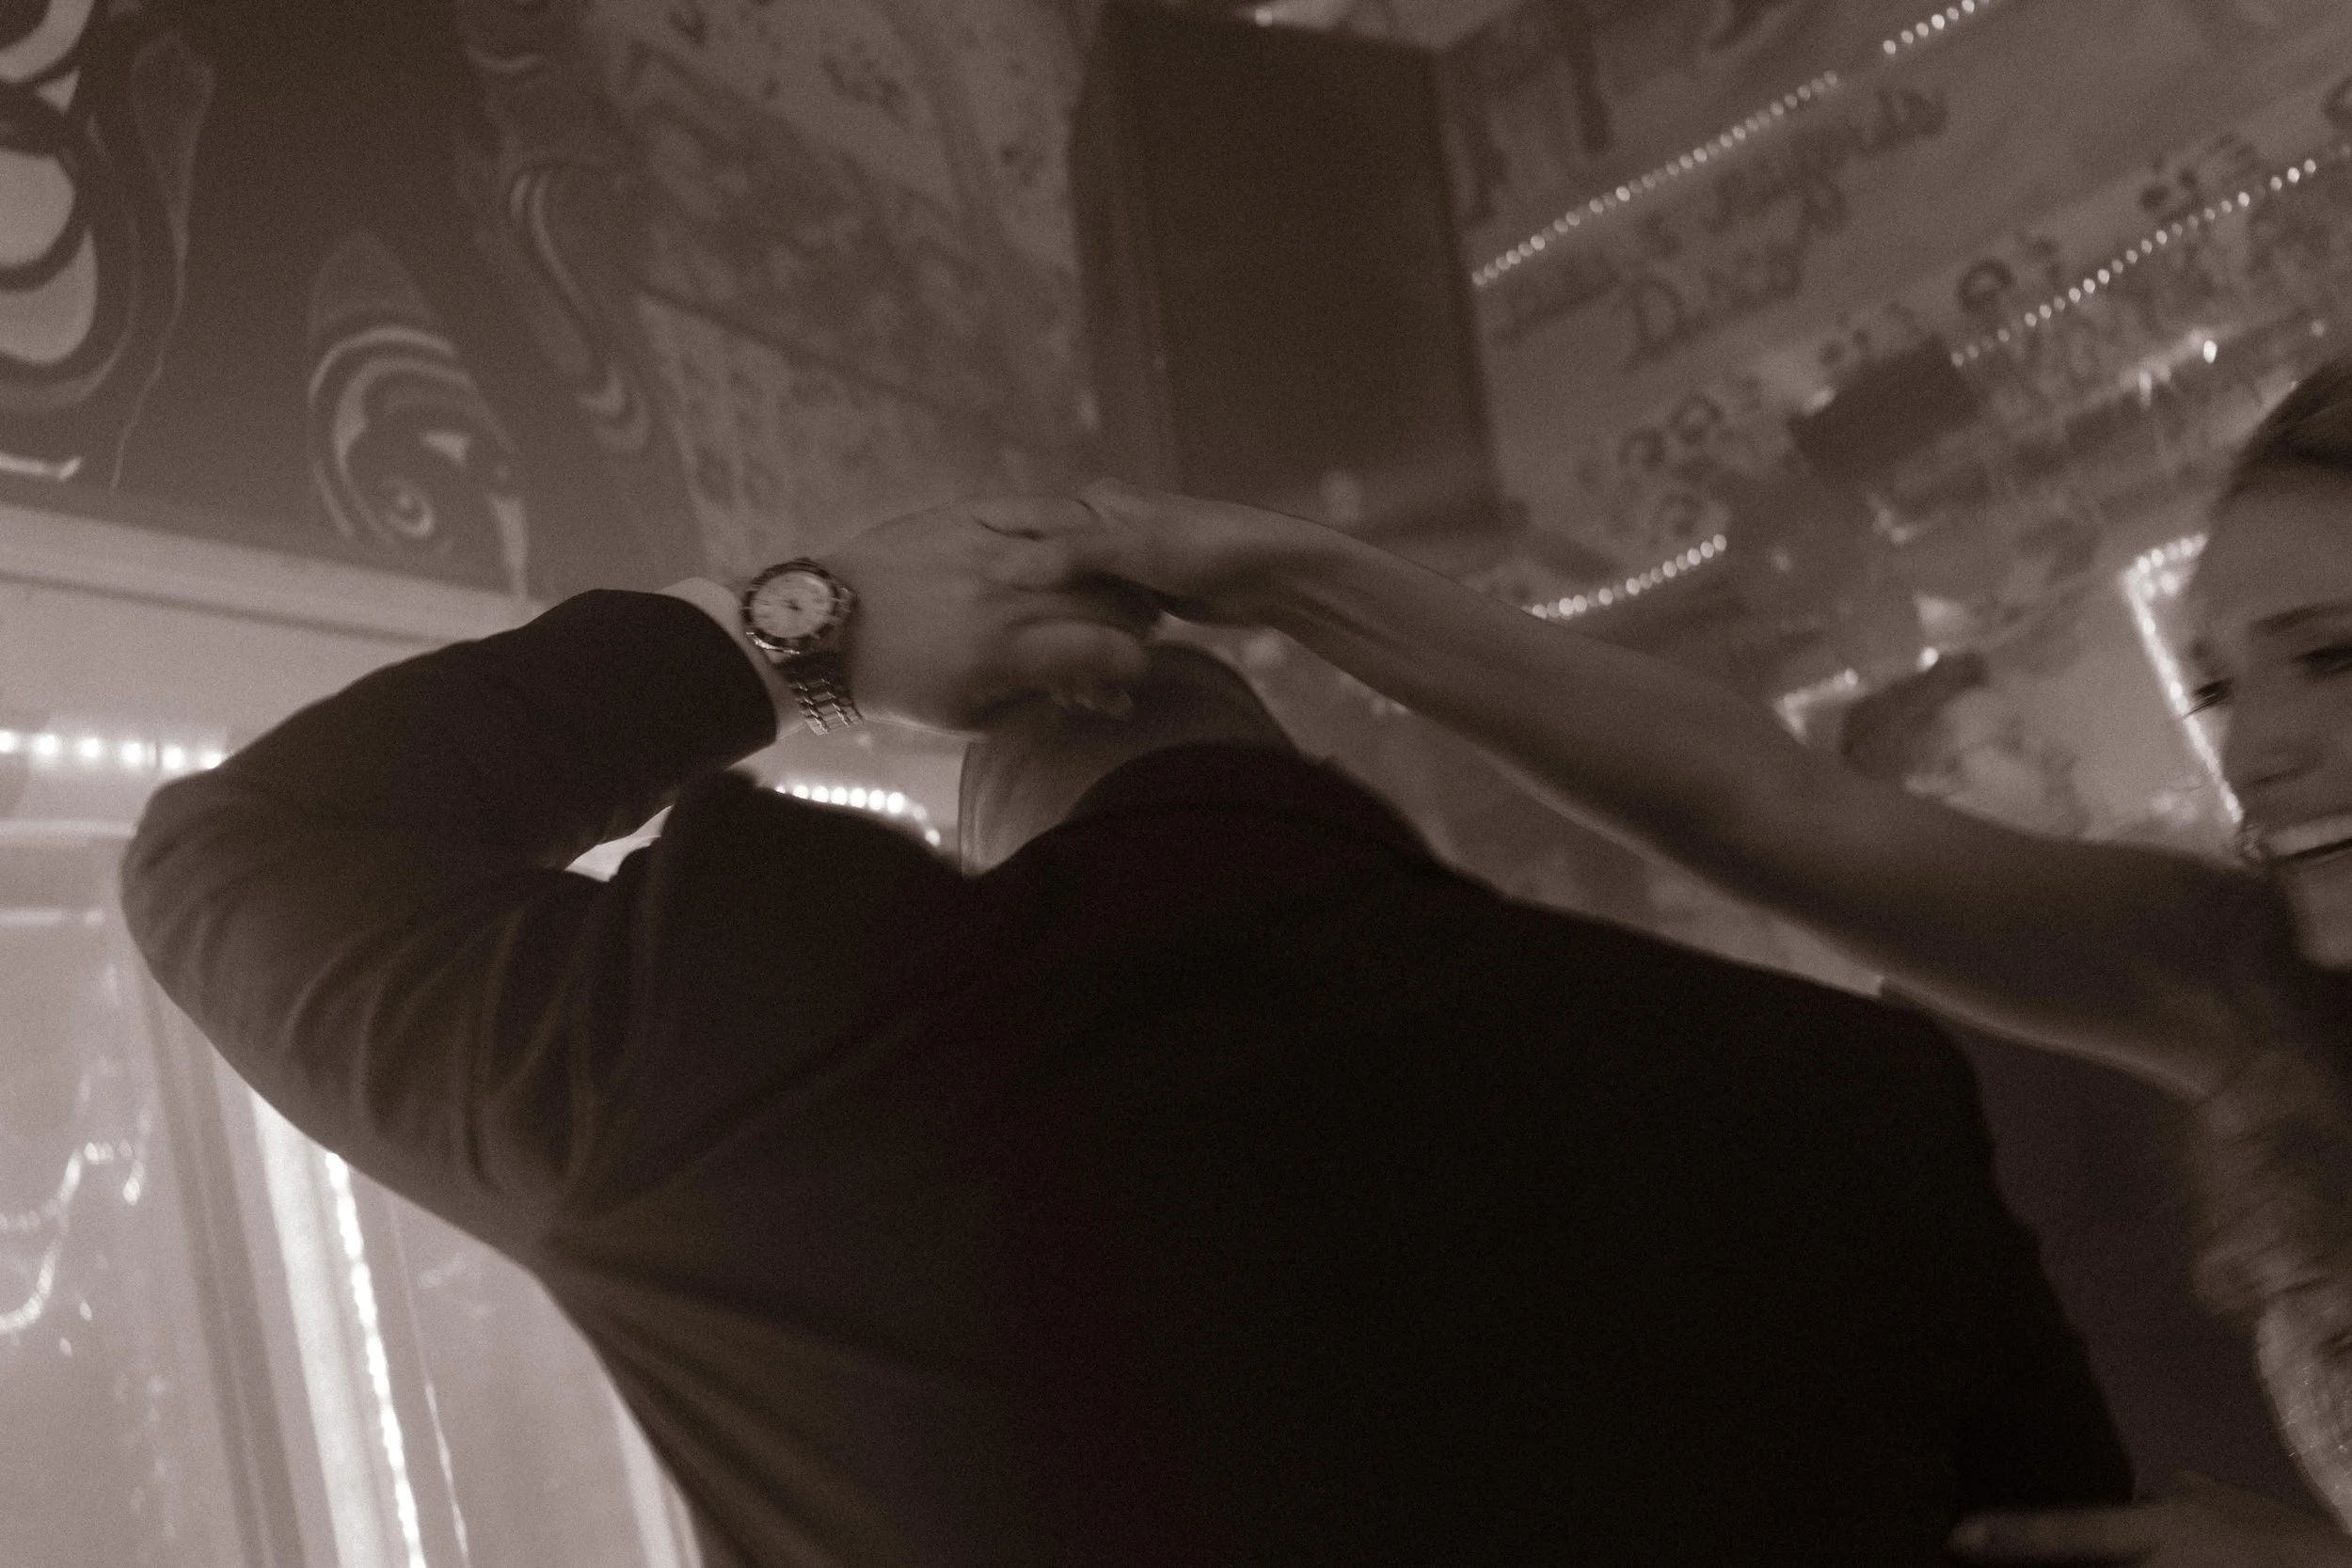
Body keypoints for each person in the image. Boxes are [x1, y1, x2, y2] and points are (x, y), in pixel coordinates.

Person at [122, 496, 2133, 1564]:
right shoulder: (1845, 1094)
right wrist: (784, 626)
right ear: (1291, 759)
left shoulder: (775, 1058)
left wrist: (806, 635)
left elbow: (240, 854)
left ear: (989, 778)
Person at [1064, 353, 2352, 1563]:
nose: (2255, 752)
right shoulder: (2252, 985)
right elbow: (1758, 804)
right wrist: (1294, 576)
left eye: (2329, 655)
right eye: (2218, 687)